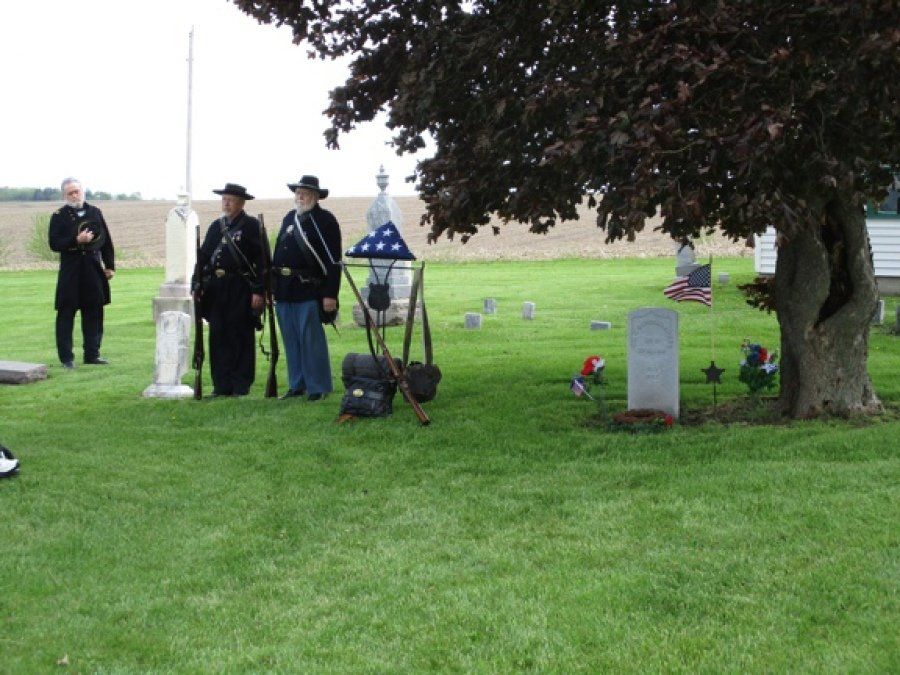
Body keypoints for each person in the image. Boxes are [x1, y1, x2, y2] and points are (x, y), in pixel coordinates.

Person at [272, 175, 342, 401]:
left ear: (315, 196)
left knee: (311, 341)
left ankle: (318, 386)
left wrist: (330, 294)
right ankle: (297, 384)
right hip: (285, 289)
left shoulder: (325, 221)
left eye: (305, 193)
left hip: (308, 289)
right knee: (291, 340)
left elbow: (333, 261)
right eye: (298, 193)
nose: (300, 197)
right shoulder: (289, 218)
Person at [193, 183, 264, 397]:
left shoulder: (251, 226)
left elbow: (261, 260)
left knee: (240, 336)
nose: (226, 203)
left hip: (240, 287)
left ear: (241, 203)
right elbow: (203, 256)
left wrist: (258, 290)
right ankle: (221, 385)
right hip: (217, 289)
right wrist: (196, 283)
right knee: (218, 336)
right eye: (224, 199)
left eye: (230, 200)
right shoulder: (217, 226)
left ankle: (241, 384)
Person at [48, 177, 115, 369]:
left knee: (94, 312)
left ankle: (92, 355)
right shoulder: (59, 216)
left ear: (82, 191)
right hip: (71, 271)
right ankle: (66, 358)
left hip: (93, 269)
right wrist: (76, 240)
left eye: (77, 191)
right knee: (66, 313)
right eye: (70, 193)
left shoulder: (95, 212)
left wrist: (109, 265)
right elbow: (54, 243)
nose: (74, 195)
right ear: (64, 195)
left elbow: (106, 240)